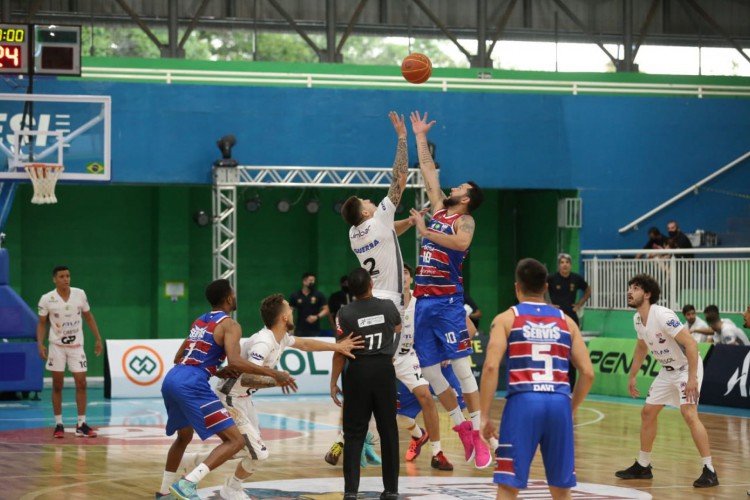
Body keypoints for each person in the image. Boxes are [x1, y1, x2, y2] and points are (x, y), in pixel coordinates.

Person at [181, 293, 363, 500]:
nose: (292, 311)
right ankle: (230, 488)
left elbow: (305, 345)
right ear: (284, 317)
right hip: (230, 398)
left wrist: (336, 346)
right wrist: (276, 380)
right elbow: (248, 378)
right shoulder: (263, 343)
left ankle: (195, 461)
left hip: (244, 399)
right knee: (259, 454)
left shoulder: (281, 337)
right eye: (289, 309)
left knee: (248, 450)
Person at [158, 279, 296, 500]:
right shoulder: (231, 325)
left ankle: (164, 492)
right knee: (236, 441)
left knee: (183, 437)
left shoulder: (200, 321)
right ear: (229, 298)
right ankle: (187, 484)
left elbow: (179, 357)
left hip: (172, 378)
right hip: (192, 384)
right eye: (234, 292)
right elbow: (235, 361)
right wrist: (274, 374)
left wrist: (216, 371)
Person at [407, 110, 491, 469]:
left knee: (460, 367)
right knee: (428, 372)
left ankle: (479, 431)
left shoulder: (464, 220)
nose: (455, 186)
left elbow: (459, 244)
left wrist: (426, 232)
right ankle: (461, 427)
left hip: (447, 302)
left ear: (468, 198)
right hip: (422, 303)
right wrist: (420, 137)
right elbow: (428, 171)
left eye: (462, 187)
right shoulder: (440, 207)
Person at [479, 258, 595, 500]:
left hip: (524, 401)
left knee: (509, 485)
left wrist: (485, 415)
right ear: (546, 287)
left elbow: (490, 367)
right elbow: (587, 373)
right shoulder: (567, 322)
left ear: (517, 287)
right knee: (562, 488)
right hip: (559, 401)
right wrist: (570, 408)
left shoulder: (505, 319)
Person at [615, 274, 718, 488]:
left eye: (635, 288)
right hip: (667, 370)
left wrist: (692, 379)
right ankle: (643, 466)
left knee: (689, 413)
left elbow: (691, 344)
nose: (629, 291)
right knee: (647, 412)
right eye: (629, 288)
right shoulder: (637, 319)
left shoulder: (662, 315)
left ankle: (710, 470)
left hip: (687, 368)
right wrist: (633, 374)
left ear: (648, 293)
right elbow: (642, 347)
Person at [330, 268, 401, 500]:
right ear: (371, 284)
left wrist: (333, 382)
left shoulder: (345, 313)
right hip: (384, 371)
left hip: (357, 373)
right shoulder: (389, 307)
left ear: (349, 289)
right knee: (389, 431)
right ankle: (391, 490)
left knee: (354, 434)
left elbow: (340, 351)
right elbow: (397, 328)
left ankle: (351, 491)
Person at [36, 266, 103, 439]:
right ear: (54, 279)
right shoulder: (47, 299)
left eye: (68, 276)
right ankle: (59, 424)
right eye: (62, 276)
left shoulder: (80, 294)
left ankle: (81, 424)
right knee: (57, 385)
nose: (66, 279)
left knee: (82, 383)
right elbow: (42, 323)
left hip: (76, 346)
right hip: (56, 347)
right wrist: (40, 343)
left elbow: (88, 317)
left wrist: (97, 338)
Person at [546, 253, 591, 327]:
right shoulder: (551, 278)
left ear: (571, 265)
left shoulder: (576, 278)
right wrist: (547, 305)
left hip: (571, 313)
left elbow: (588, 291)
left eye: (567, 262)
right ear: (559, 265)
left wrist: (579, 304)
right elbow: (538, 290)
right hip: (556, 314)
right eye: (562, 262)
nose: (565, 264)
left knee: (574, 336)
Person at [289, 272, 329, 337]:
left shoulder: (318, 295)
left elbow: (326, 309)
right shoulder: (295, 295)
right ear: (304, 281)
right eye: (310, 280)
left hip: (314, 329)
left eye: (314, 281)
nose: (313, 282)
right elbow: (290, 312)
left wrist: (316, 317)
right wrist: (291, 327)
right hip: (300, 329)